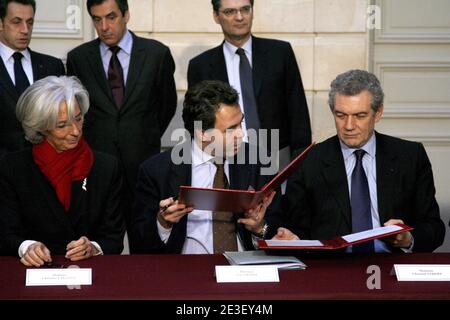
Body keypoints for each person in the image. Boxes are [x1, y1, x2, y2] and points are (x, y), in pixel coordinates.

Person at [276, 69, 445, 253]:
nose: (349, 126)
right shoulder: (308, 161)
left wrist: (407, 239)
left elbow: (434, 228)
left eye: (359, 116)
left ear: (378, 113)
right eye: (341, 115)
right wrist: (294, 239)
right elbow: (295, 228)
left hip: (392, 265)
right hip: (332, 271)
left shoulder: (410, 156)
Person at [66, 0, 177, 248]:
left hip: (143, 165)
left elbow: (166, 105)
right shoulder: (79, 58)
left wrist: (139, 136)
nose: (104, 26)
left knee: (146, 242)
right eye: (96, 19)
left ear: (126, 15)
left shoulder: (156, 54)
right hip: (96, 167)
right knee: (97, 243)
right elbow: (78, 112)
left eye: (111, 17)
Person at [131, 80, 282, 254]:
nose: (241, 134)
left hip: (246, 269)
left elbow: (278, 224)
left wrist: (259, 228)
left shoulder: (259, 162)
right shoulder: (156, 171)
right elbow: (140, 243)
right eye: (231, 129)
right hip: (186, 270)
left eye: (241, 123)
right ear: (202, 133)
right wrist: (163, 224)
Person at [0, 76, 125, 267]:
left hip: (92, 275)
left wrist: (93, 247)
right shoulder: (13, 167)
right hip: (31, 277)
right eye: (61, 125)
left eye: (78, 119)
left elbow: (113, 237)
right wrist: (27, 247)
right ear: (41, 127)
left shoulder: (106, 167)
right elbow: (6, 232)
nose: (75, 131)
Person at [187, 0, 311, 156]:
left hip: (278, 156)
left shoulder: (280, 53)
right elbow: (198, 121)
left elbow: (298, 111)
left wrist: (301, 160)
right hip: (225, 158)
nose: (239, 17)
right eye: (230, 11)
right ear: (216, 16)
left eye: (245, 9)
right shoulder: (201, 65)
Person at [0, 0, 65, 158]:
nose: (25, 30)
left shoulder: (52, 66)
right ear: (1, 23)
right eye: (17, 22)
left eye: (30, 22)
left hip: (46, 168)